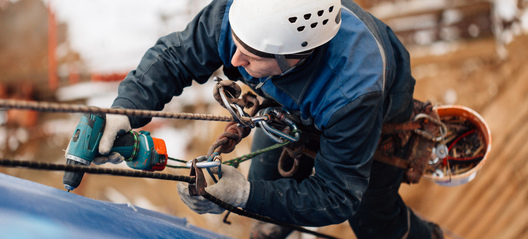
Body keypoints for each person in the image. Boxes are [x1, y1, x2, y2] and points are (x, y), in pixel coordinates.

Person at [94, 0, 443, 238]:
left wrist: (244, 194)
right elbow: (174, 58)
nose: (233, 58)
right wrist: (124, 110)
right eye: (235, 41)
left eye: (252, 55)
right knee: (265, 189)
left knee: (371, 218)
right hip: (292, 109)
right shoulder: (243, 14)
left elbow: (338, 195)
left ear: (297, 57)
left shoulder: (355, 88)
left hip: (375, 114)